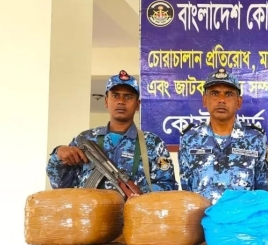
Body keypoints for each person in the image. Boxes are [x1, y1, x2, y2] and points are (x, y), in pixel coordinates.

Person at [46, 70, 178, 193]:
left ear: (137, 104)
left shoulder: (152, 143)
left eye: (128, 97)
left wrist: (135, 195)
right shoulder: (85, 139)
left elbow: (168, 185)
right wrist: (58, 155)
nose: (121, 102)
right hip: (90, 210)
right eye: (115, 96)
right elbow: (60, 184)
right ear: (106, 101)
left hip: (132, 210)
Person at [178, 68, 268, 204]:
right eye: (215, 93)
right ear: (205, 100)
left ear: (239, 102)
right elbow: (187, 191)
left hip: (242, 216)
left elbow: (262, 192)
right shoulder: (189, 139)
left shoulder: (256, 138)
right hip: (203, 217)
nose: (221, 100)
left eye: (228, 94)